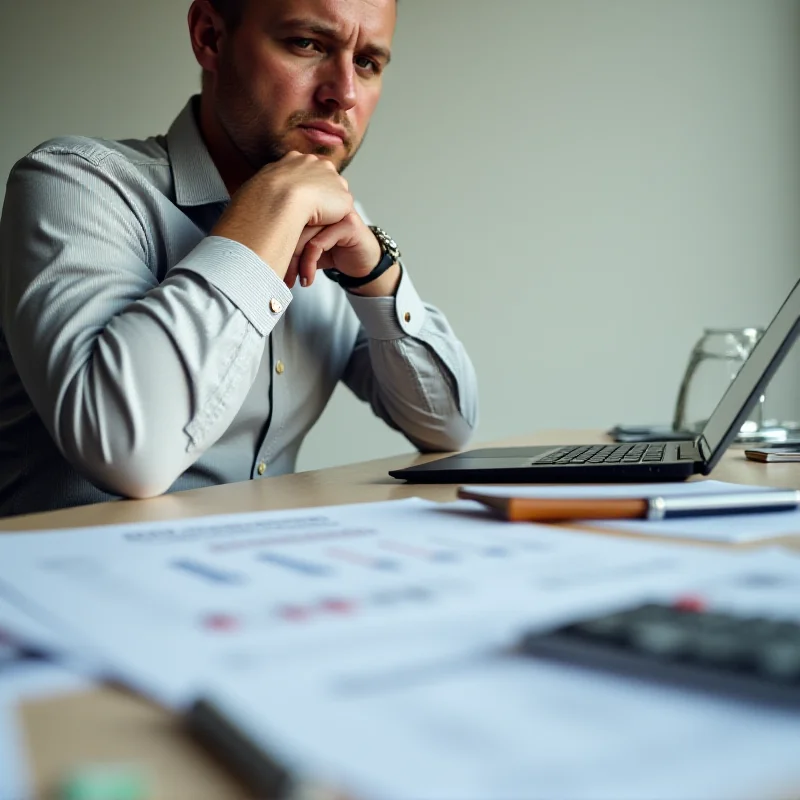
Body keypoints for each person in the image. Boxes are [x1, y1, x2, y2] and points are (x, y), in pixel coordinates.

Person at [0, 0, 478, 517]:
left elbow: (446, 425)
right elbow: (126, 453)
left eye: (367, 62)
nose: (342, 92)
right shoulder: (75, 184)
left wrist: (379, 275)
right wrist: (268, 217)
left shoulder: (337, 229)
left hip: (262, 575)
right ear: (210, 36)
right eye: (308, 44)